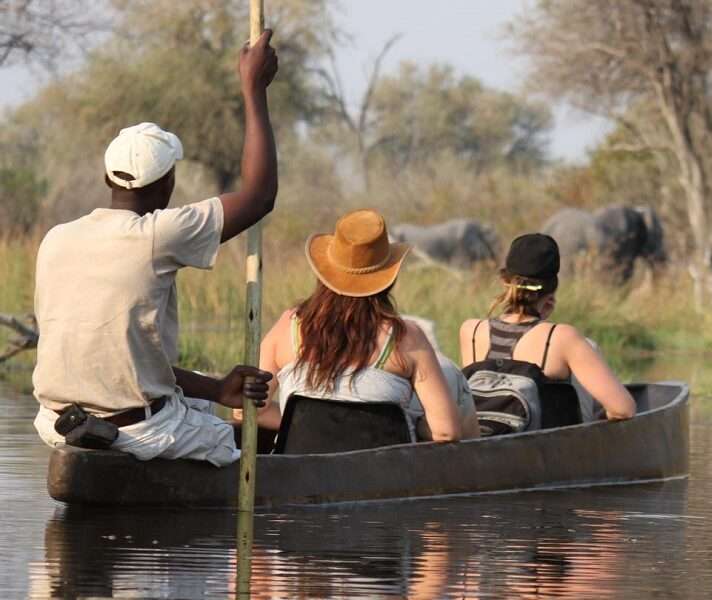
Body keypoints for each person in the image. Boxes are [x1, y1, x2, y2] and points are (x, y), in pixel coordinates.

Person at [30, 31, 281, 466]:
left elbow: (125, 363)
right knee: (254, 443)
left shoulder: (57, 238)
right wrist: (252, 89)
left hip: (57, 425)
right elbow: (260, 196)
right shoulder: (159, 233)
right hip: (138, 434)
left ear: (109, 179)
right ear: (168, 183)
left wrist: (219, 389)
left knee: (202, 395)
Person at [252, 209, 478, 443]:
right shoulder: (406, 337)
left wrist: (299, 424)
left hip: (302, 473)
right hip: (384, 475)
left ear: (325, 273)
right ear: (387, 278)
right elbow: (446, 432)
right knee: (454, 380)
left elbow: (247, 410)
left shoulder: (288, 326)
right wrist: (406, 426)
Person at [458, 233, 636, 436]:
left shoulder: (471, 331)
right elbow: (623, 409)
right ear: (551, 290)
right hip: (542, 453)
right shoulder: (561, 337)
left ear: (504, 281)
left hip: (484, 445)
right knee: (589, 347)